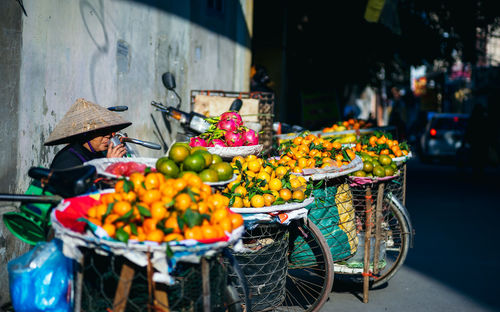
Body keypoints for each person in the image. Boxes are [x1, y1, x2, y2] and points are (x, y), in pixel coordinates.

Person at [45, 98, 132, 169]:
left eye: (109, 131)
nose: (108, 136)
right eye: (102, 131)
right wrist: (109, 165)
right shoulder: (69, 160)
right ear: (86, 133)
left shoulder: (98, 153)